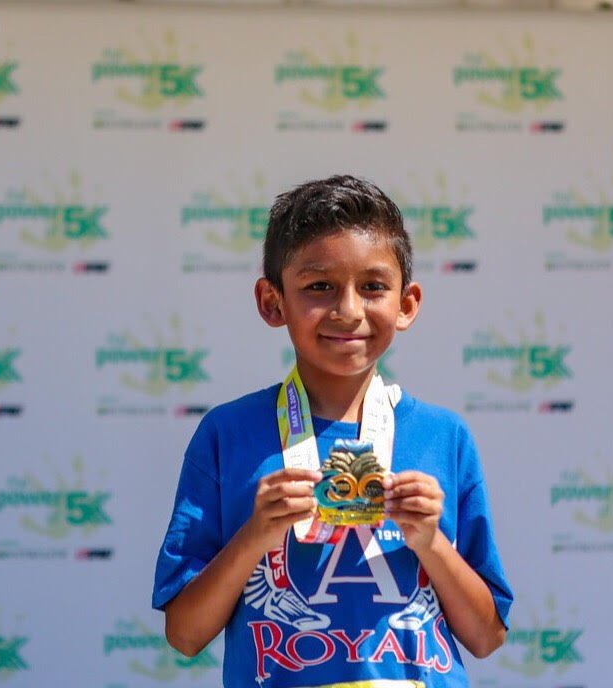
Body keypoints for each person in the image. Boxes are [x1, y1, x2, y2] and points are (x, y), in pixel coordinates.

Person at [152, 175, 512, 688]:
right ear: (272, 302)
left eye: (373, 287)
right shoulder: (227, 434)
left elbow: (486, 637)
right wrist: (257, 533)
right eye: (319, 286)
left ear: (406, 304)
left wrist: (431, 542)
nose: (348, 310)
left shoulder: (443, 436)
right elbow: (184, 634)